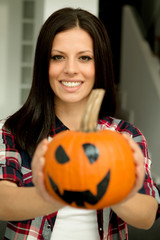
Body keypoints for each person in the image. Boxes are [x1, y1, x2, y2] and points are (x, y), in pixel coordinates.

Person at [0, 7, 159, 240]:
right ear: (44, 65)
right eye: (58, 57)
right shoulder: (12, 130)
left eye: (84, 57)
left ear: (100, 64)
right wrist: (58, 190)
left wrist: (115, 189)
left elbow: (147, 216)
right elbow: (3, 201)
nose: (71, 69)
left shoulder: (125, 136)